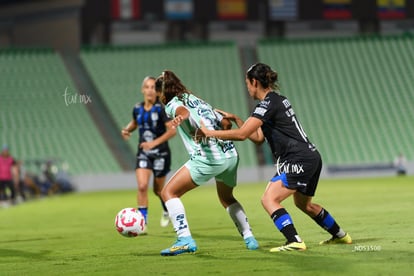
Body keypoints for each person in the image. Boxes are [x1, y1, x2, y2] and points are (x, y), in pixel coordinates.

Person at [200, 63, 352, 252]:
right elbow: (257, 138)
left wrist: (209, 132)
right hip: (311, 157)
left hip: (297, 159)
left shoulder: (266, 105)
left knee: (269, 199)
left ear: (254, 82)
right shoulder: (276, 100)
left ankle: (294, 240)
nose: (247, 87)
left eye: (247, 83)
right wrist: (238, 119)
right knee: (303, 204)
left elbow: (242, 135)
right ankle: (341, 236)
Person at [155, 70, 259, 256]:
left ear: (163, 93)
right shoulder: (196, 99)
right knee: (226, 198)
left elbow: (183, 112)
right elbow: (226, 123)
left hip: (209, 158)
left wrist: (181, 117)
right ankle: (249, 237)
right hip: (230, 155)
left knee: (168, 192)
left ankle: (184, 239)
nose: (159, 98)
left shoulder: (172, 104)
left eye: (159, 95)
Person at [121, 76, 176, 229]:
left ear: (158, 92)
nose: (150, 90)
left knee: (158, 190)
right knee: (142, 186)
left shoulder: (162, 109)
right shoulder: (137, 108)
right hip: (143, 153)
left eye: (153, 87)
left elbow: (172, 131)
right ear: (142, 89)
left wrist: (153, 143)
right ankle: (142, 222)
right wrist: (126, 130)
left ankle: (166, 210)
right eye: (147, 87)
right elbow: (134, 123)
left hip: (161, 154)